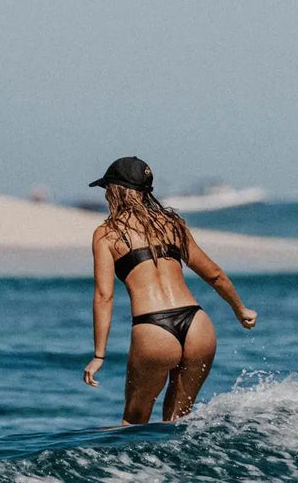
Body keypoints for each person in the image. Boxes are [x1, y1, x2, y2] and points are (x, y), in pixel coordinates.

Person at [82, 156, 258, 423]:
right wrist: (240, 309)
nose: (106, 195)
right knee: (177, 424)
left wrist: (99, 355)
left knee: (133, 422)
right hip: (197, 325)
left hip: (153, 327)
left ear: (116, 190)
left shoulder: (107, 234)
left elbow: (104, 296)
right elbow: (214, 274)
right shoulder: (174, 224)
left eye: (107, 188)